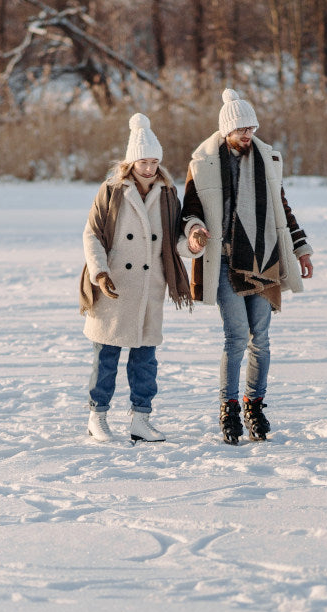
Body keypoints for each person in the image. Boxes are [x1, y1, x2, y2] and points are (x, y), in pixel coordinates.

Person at [181, 89, 314, 445]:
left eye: (252, 128)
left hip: (265, 258)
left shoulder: (268, 160)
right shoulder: (203, 164)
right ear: (227, 131)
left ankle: (254, 405)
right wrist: (195, 232)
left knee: (262, 338)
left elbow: (282, 210)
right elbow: (189, 210)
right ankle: (228, 407)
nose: (248, 135)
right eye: (242, 129)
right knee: (237, 336)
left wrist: (301, 249)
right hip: (225, 261)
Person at [79, 113, 203, 443]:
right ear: (130, 161)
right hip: (114, 287)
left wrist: (191, 244)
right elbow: (91, 235)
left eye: (153, 162)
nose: (148, 168)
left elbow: (173, 243)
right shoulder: (111, 191)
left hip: (150, 289)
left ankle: (141, 419)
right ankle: (97, 416)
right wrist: (100, 272)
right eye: (142, 161)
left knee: (145, 361)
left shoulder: (167, 194)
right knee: (105, 358)